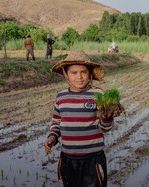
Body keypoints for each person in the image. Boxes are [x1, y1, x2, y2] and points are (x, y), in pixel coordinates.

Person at [44, 50, 121, 187]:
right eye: (74, 73)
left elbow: (105, 128)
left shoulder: (98, 94)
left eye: (83, 72)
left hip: (93, 159)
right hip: (68, 159)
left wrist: (107, 118)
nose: (79, 77)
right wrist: (53, 137)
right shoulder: (61, 97)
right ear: (66, 74)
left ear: (90, 73)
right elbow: (56, 122)